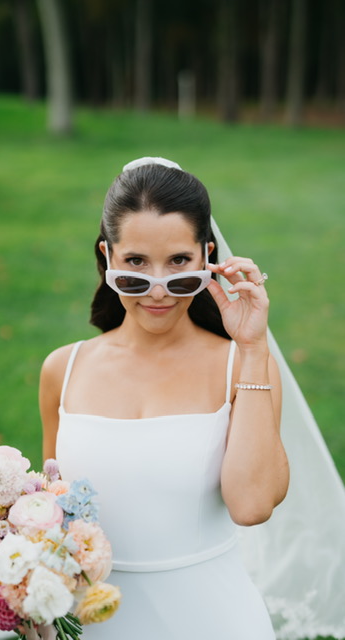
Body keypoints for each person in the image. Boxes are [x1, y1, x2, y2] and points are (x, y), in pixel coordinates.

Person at [40, 157, 289, 639]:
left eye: (178, 262)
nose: (158, 288)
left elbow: (253, 505)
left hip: (211, 620)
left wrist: (254, 349)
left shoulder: (241, 365)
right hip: (91, 622)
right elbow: (51, 514)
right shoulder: (62, 370)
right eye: (135, 263)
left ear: (207, 257)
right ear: (108, 256)